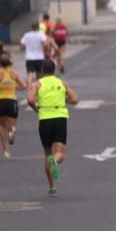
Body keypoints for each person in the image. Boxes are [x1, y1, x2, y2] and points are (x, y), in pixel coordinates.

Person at [28, 60, 80, 196]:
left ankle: (52, 187)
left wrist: (36, 108)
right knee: (60, 153)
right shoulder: (61, 83)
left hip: (44, 120)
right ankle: (55, 161)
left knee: (47, 154)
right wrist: (64, 100)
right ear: (54, 70)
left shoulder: (37, 84)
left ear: (42, 70)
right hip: (59, 119)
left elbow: (30, 99)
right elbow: (75, 99)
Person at [0, 53, 26, 159]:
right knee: (13, 125)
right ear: (10, 63)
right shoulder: (14, 74)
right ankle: (12, 132)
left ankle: (6, 151)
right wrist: (13, 87)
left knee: (2, 126)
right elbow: (24, 86)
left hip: (0, 101)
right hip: (11, 101)